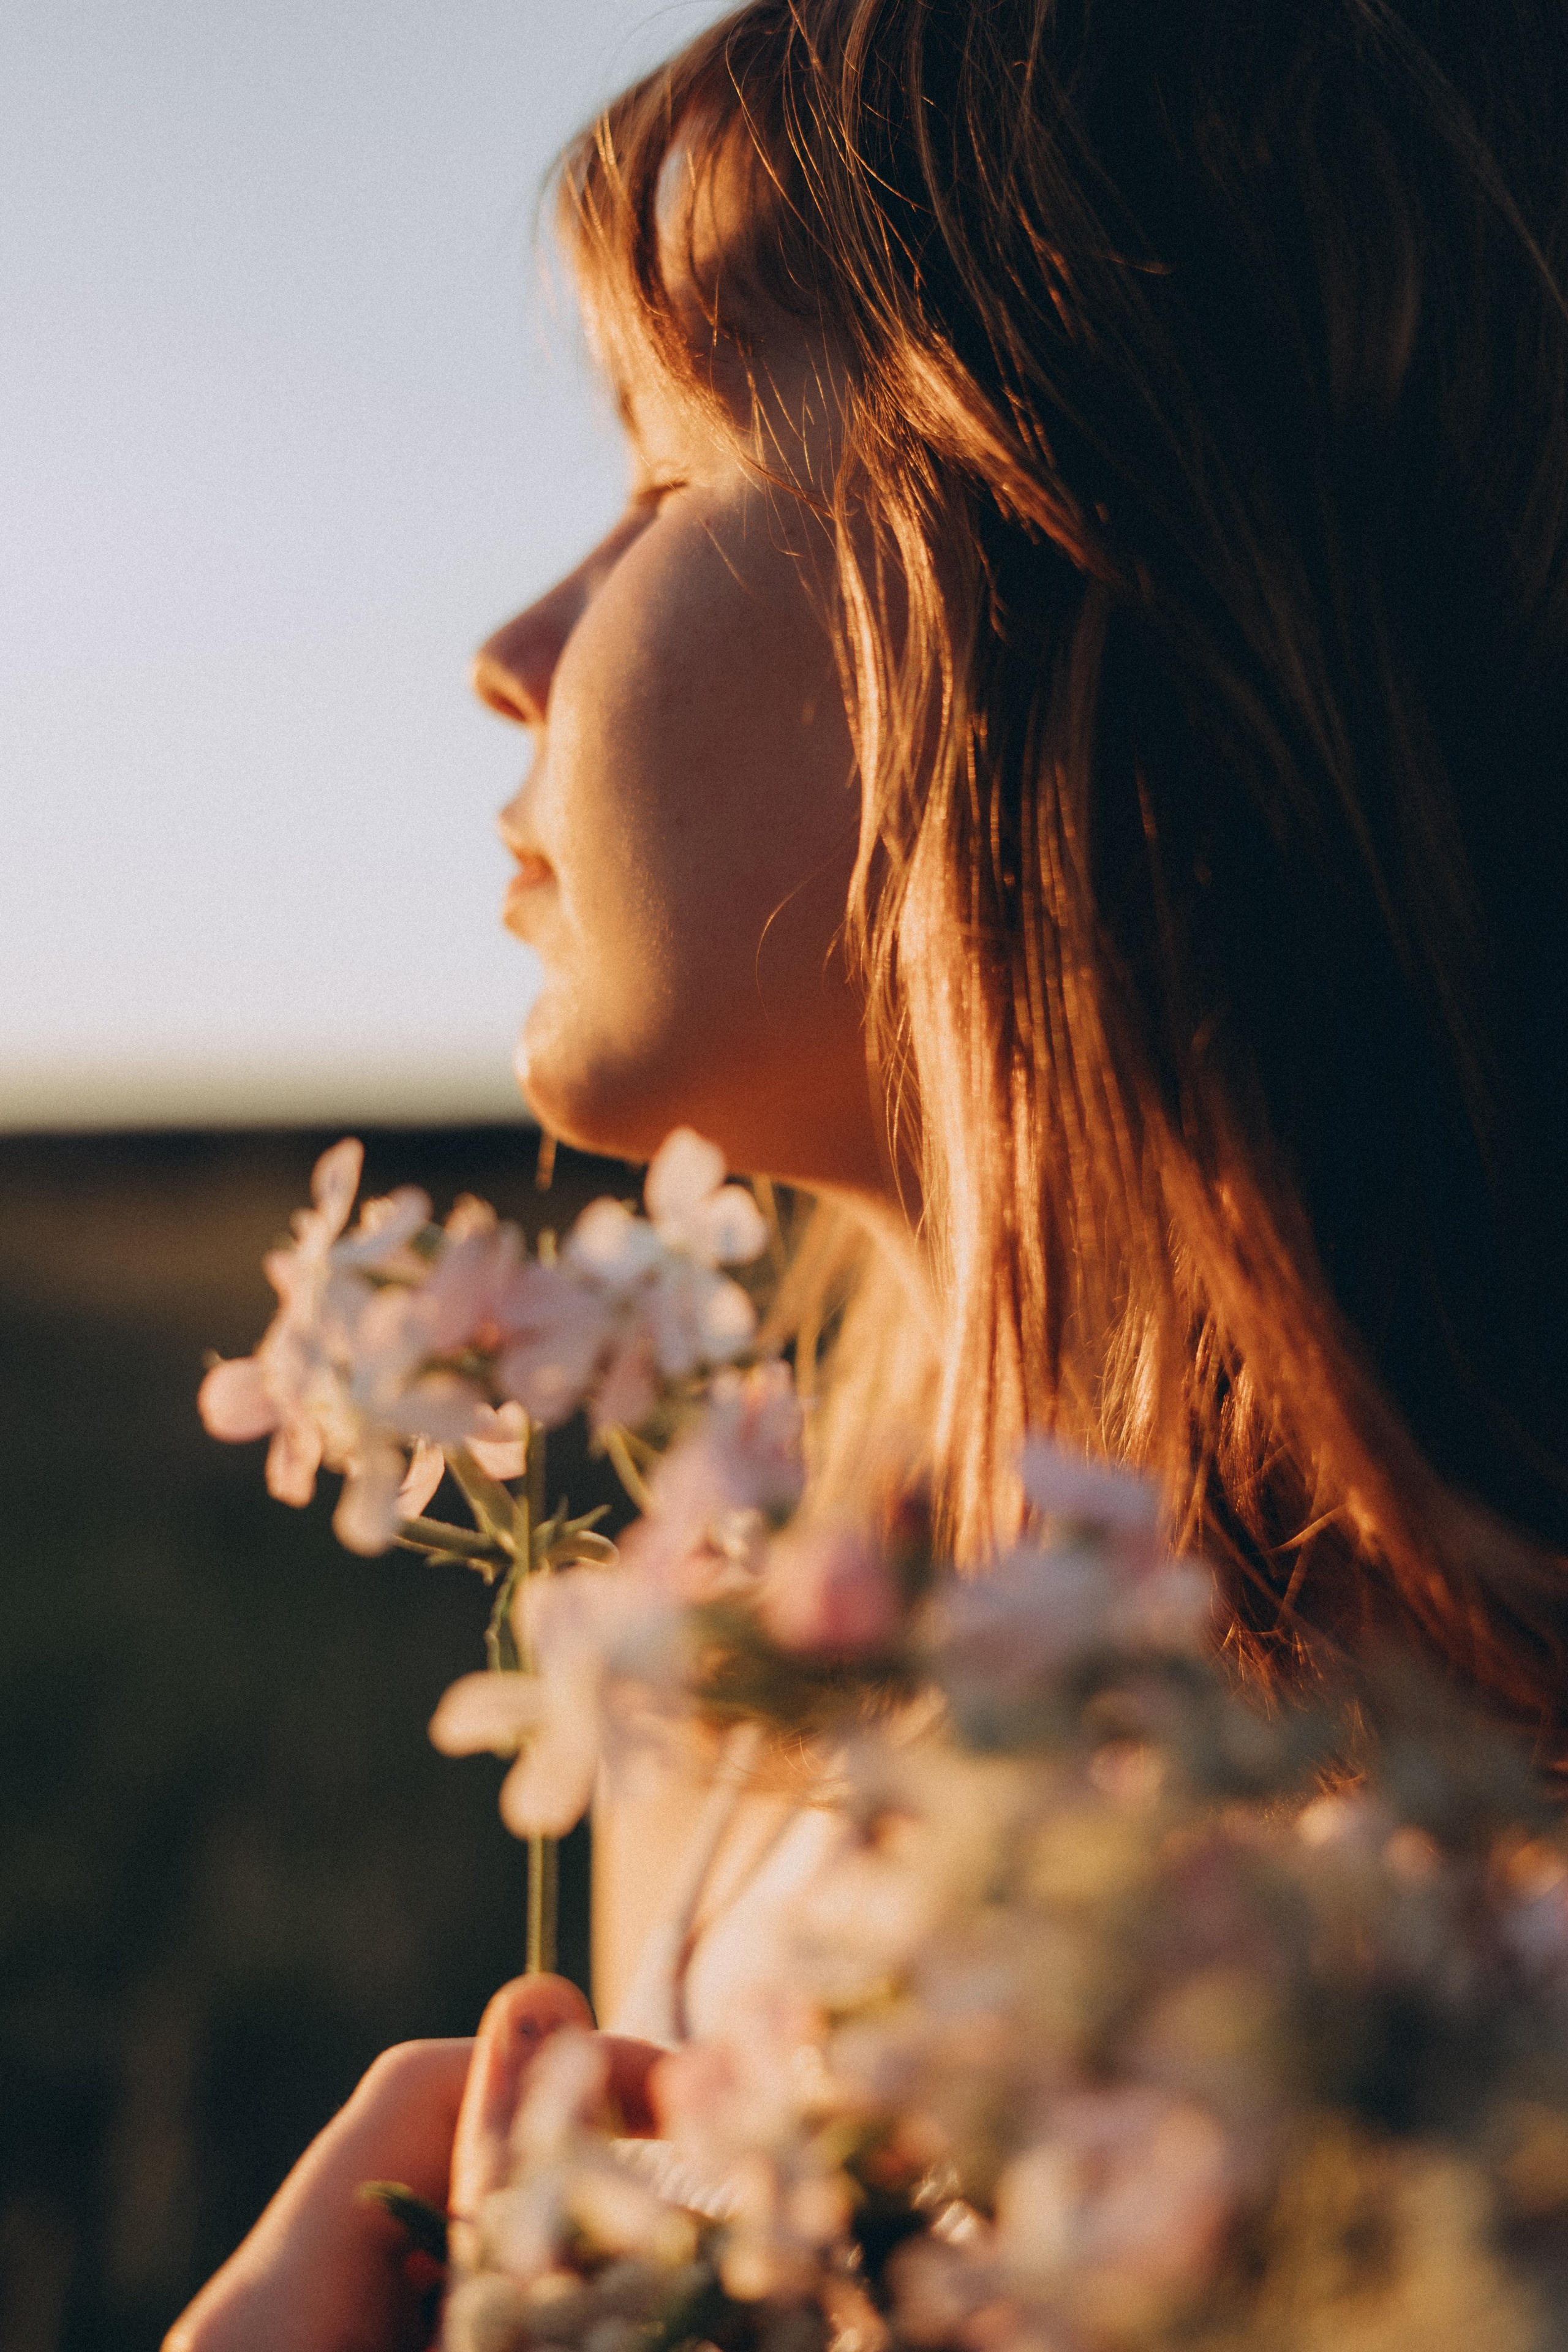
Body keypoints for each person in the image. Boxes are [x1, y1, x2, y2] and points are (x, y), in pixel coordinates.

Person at [166, 0, 1568, 2342]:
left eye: (665, 470)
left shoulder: (1460, 1915)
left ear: (1082, 543)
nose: (513, 648)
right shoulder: (724, 1732)